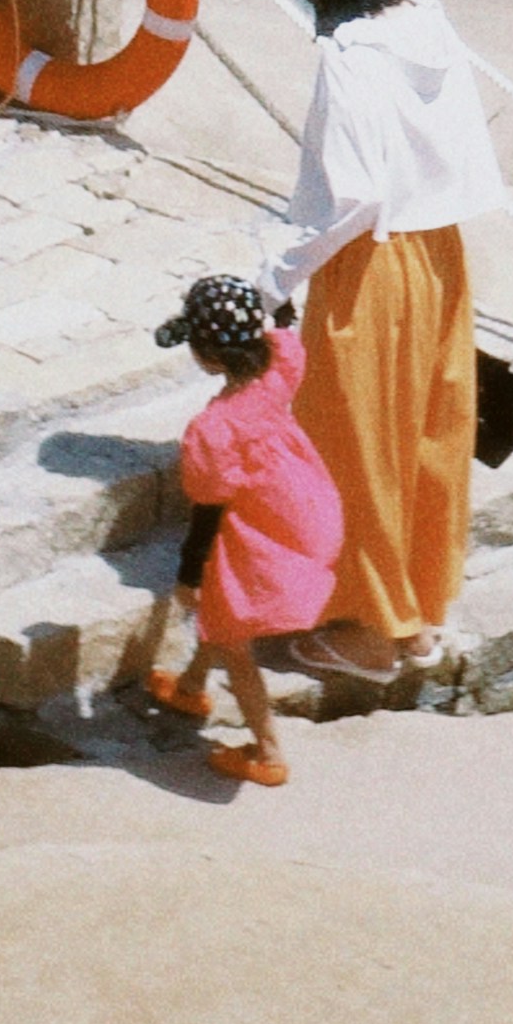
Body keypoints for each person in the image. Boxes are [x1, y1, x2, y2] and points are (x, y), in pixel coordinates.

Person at [249, 0, 506, 681]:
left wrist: (276, 270)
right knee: (431, 433)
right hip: (441, 253)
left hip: (371, 258)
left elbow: (351, 194)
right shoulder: (429, 24)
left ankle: (368, 633)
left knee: (354, 446)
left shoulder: (350, 55)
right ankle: (421, 615)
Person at [130, 272, 345, 788]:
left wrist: (189, 574)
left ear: (206, 356)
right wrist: (282, 299)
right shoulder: (280, 365)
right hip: (307, 506)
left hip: (262, 534)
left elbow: (207, 509)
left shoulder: (214, 429)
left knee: (232, 637)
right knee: (223, 615)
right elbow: (285, 329)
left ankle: (268, 750)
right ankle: (190, 686)